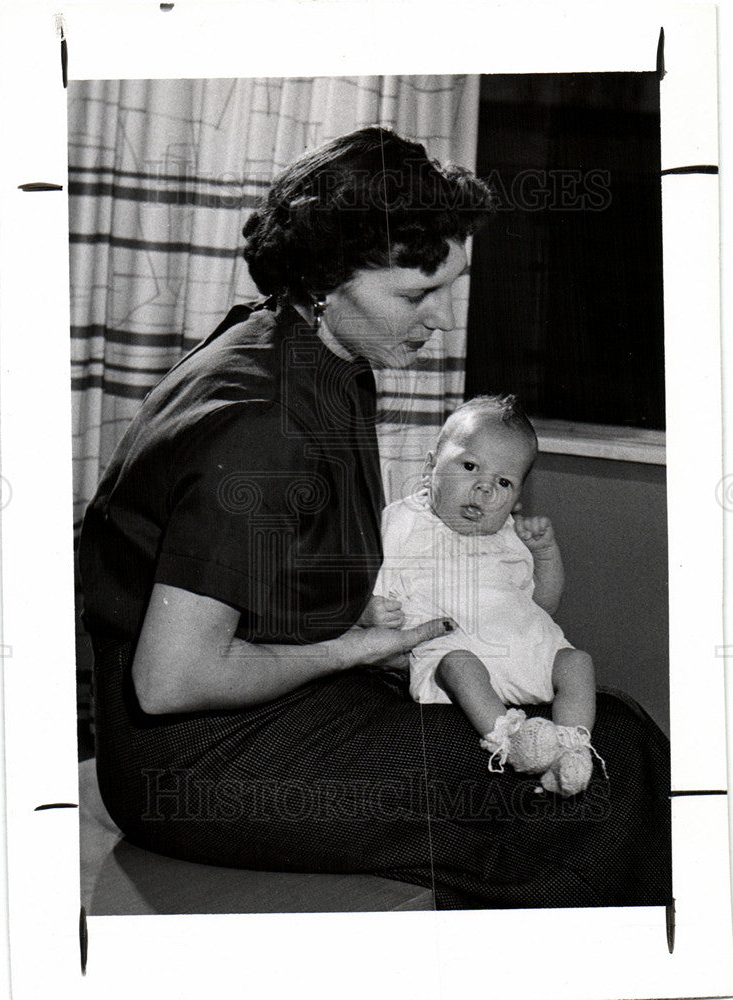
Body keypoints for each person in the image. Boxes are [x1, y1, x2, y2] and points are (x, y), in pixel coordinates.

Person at [79, 125, 671, 910]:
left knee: (598, 729)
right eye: (416, 294)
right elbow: (170, 679)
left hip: (267, 707)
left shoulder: (316, 357)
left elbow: (277, 565)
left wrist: (367, 637)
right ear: (330, 275)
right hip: (199, 760)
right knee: (610, 768)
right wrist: (356, 649)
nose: (437, 322)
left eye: (447, 290)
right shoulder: (264, 421)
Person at [369, 394, 600, 797]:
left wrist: (545, 553)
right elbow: (371, 580)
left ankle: (570, 748)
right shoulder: (403, 520)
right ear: (429, 468)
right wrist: (372, 610)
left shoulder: (509, 537)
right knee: (458, 663)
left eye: (504, 482)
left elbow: (542, 607)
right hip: (457, 656)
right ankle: (513, 741)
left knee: (577, 663)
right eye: (470, 466)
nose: (484, 488)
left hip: (521, 652)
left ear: (515, 499)